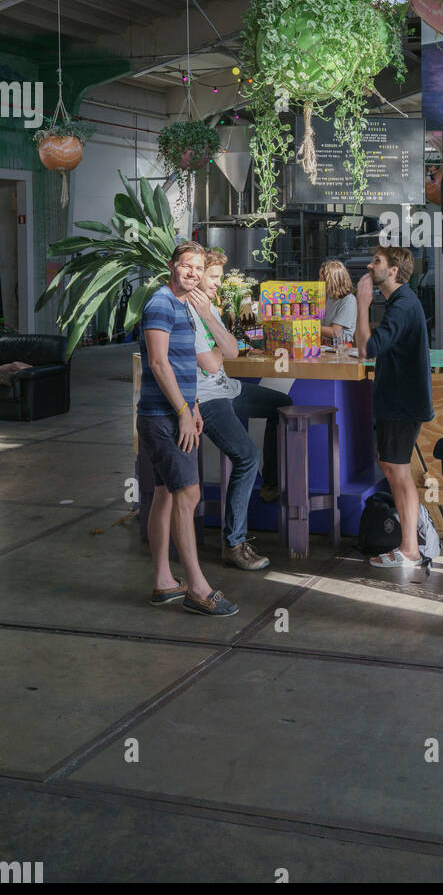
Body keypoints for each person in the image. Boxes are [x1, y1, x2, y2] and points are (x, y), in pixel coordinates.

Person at [138, 241, 238, 617]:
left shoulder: (182, 306)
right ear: (172, 266)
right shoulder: (161, 304)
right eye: (186, 266)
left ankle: (164, 582)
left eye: (198, 268)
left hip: (176, 414)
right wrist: (182, 410)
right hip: (161, 417)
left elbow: (184, 365)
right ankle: (197, 588)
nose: (192, 273)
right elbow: (159, 363)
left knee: (166, 494)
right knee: (189, 494)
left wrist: (192, 406)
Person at [187, 250, 293, 563]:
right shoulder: (190, 312)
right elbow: (213, 359)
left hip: (228, 388)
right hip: (206, 397)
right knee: (246, 456)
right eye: (214, 277)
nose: (218, 283)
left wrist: (224, 339)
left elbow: (232, 349)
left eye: (221, 277)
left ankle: (271, 483)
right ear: (198, 275)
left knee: (282, 405)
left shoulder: (211, 308)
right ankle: (234, 544)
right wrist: (215, 330)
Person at [355, 246, 434, 568]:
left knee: (398, 472)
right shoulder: (401, 302)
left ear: (392, 271)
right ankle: (409, 545)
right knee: (391, 468)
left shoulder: (402, 304)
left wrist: (362, 303)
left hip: (403, 404)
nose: (370, 265)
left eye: (377, 262)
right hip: (398, 401)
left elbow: (367, 349)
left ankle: (410, 548)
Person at [319, 260, 357, 346]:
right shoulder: (327, 297)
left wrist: (310, 327)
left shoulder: (348, 300)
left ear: (333, 281)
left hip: (341, 349)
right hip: (325, 346)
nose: (320, 282)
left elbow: (335, 332)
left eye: (323, 280)